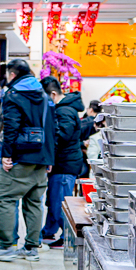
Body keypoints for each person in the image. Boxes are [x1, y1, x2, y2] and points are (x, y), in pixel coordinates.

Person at [0, 59, 54, 261]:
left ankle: (5, 246)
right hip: (41, 157)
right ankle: (31, 248)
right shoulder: (44, 95)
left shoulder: (13, 95)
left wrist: (6, 155)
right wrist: (49, 159)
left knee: (4, 198)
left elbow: (11, 126)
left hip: (20, 156)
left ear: (12, 75)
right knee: (33, 202)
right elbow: (50, 127)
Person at [37, 76, 85, 248]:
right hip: (63, 163)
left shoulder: (64, 111)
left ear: (54, 94)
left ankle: (67, 238)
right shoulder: (65, 109)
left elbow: (61, 136)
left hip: (65, 164)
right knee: (54, 200)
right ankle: (49, 231)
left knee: (60, 203)